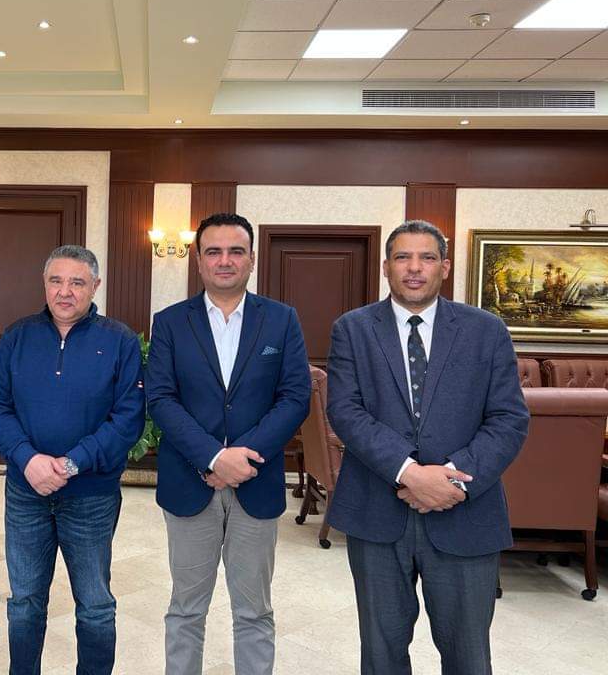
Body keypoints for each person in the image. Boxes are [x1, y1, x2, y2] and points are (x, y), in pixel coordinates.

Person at [326, 219, 529, 675]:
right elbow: (346, 411)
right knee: (381, 656)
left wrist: (453, 480)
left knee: (468, 657)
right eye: (403, 257)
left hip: (466, 515)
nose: (414, 268)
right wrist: (410, 473)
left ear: (445, 267)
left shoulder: (486, 330)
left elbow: (509, 418)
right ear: (386, 267)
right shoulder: (352, 329)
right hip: (377, 513)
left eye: (427, 257)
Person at [145, 213, 311, 675]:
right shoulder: (170, 322)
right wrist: (214, 457)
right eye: (213, 251)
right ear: (198, 260)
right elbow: (161, 399)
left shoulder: (281, 320)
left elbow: (295, 397)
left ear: (252, 259)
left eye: (236, 251)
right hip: (189, 483)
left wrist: (242, 458)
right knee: (185, 609)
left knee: (254, 610)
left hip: (256, 484)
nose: (224, 260)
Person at [0, 244, 144, 675]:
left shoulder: (120, 341)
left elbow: (127, 419)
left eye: (77, 282)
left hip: (91, 496)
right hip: (26, 493)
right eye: (56, 281)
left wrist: (71, 464)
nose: (65, 291)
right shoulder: (17, 336)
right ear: (44, 284)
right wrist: (28, 459)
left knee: (94, 606)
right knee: (25, 602)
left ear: (95, 286)